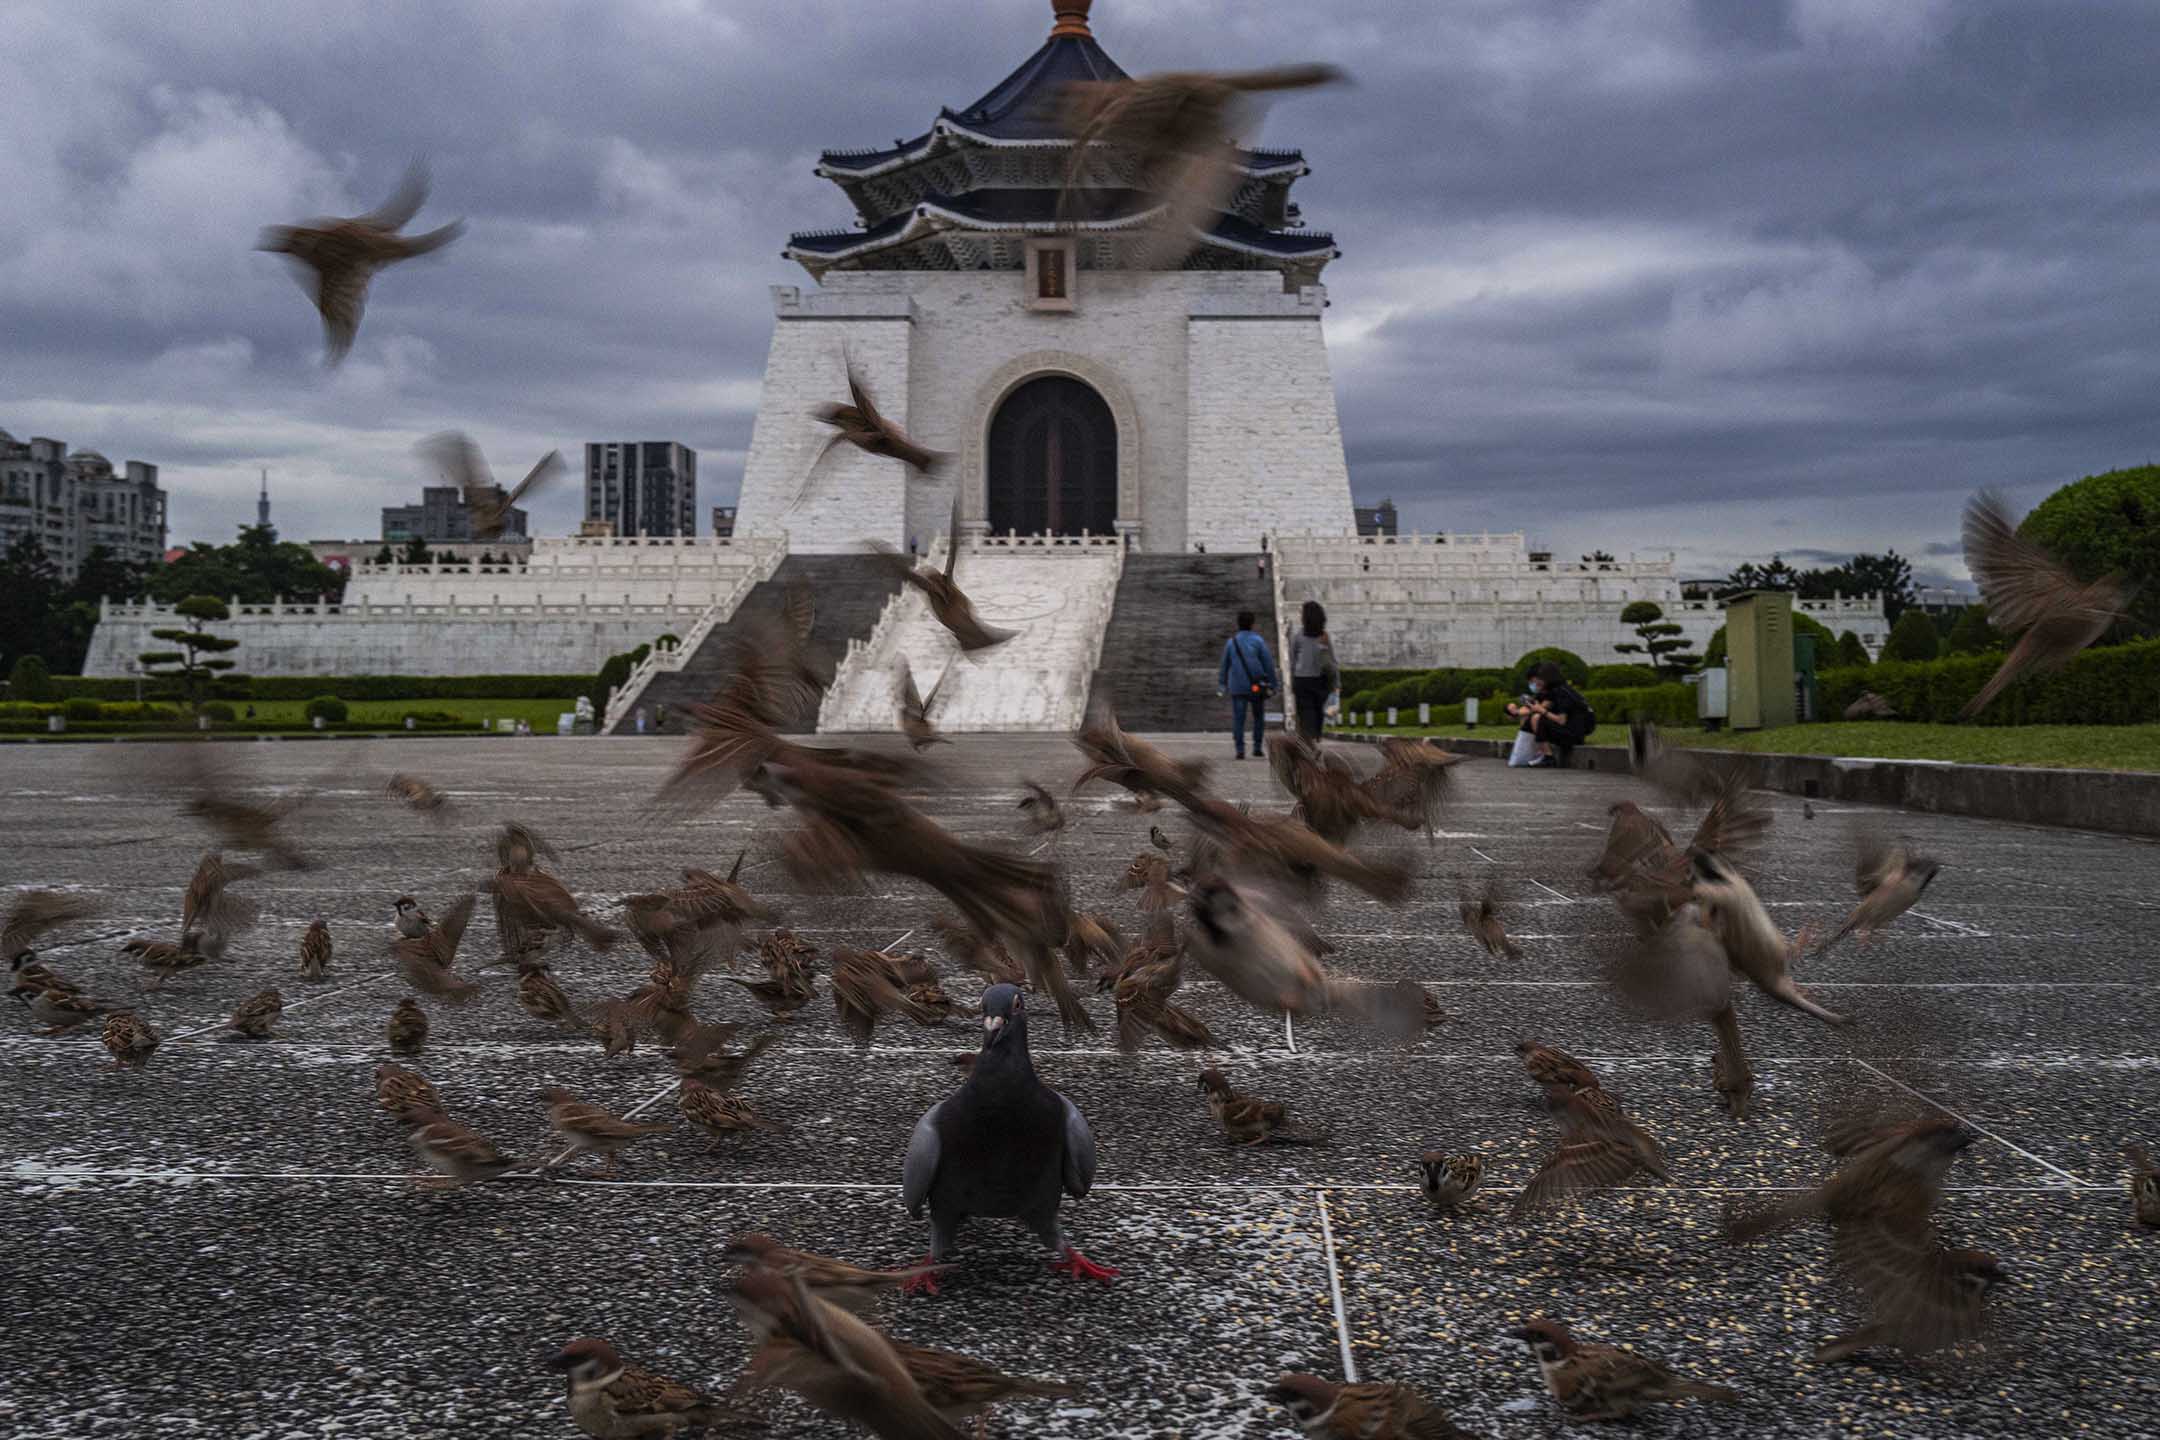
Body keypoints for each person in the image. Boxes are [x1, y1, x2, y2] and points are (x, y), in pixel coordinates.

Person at [1216, 610, 1280, 760]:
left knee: (1239, 718)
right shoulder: (1258, 641)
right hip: (1256, 685)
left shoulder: (1231, 643)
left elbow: (1224, 665)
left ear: (1238, 624)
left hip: (1237, 685)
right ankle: (1257, 747)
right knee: (1258, 716)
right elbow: (1268, 664)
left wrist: (1222, 684)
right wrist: (1273, 684)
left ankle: (1240, 749)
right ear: (1252, 624)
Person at [1506, 661, 1593, 767]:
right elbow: (1532, 708)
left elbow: (1561, 720)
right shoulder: (1549, 691)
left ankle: (1548, 757)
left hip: (1575, 733)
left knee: (1537, 718)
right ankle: (1538, 754)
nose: (1534, 683)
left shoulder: (1562, 692)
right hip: (1568, 729)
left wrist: (1542, 711)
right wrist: (1516, 713)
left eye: (1537, 679)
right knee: (1533, 717)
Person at [1287, 600, 1339, 742]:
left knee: (1306, 713)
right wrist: (1336, 683)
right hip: (1320, 680)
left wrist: (1291, 682)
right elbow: (1332, 662)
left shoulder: (1298, 636)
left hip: (1302, 679)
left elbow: (1293, 661)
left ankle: (1308, 741)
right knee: (1318, 712)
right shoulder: (1324, 636)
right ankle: (1315, 738)